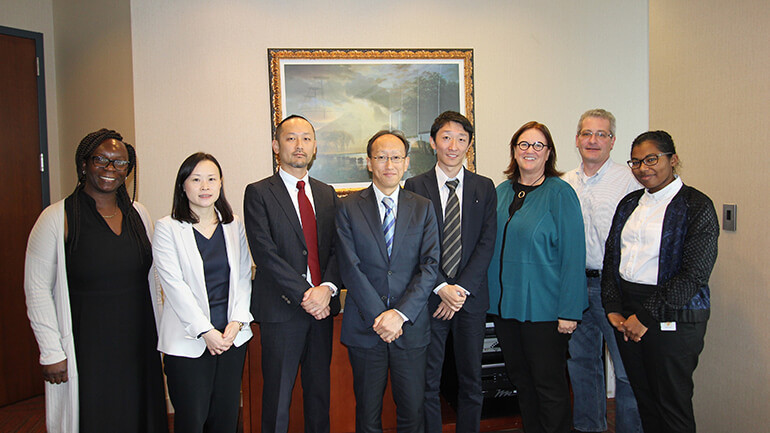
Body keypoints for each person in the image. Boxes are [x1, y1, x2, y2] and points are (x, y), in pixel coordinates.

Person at [23, 128, 168, 433]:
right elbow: (36, 289)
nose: (110, 169)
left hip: (139, 342)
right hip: (86, 348)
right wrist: (51, 351)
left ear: (128, 170)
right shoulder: (56, 218)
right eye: (101, 159)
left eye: (120, 163)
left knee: (141, 414)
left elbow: (154, 281)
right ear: (84, 163)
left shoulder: (139, 215)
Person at [602, 130, 718, 433]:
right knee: (645, 400)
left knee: (672, 404)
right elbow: (612, 256)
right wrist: (613, 307)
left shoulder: (696, 205)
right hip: (629, 312)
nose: (643, 168)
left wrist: (645, 316)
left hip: (674, 316)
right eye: (636, 162)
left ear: (673, 159)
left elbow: (695, 273)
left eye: (651, 159)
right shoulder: (629, 204)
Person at [335, 130, 440, 433]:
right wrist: (381, 317)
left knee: (412, 414)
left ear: (407, 163)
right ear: (369, 163)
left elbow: (430, 266)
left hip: (411, 327)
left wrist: (400, 314)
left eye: (395, 157)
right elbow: (349, 267)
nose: (388, 164)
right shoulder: (348, 207)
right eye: (381, 157)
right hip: (366, 329)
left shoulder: (422, 207)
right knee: (368, 416)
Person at [487, 121, 587, 433]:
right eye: (523, 145)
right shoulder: (500, 192)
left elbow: (574, 255)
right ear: (514, 152)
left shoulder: (560, 193)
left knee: (549, 387)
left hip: (546, 312)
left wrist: (569, 311)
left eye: (537, 145)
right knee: (522, 384)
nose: (530, 151)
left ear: (548, 154)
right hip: (506, 310)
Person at [244, 115, 341, 433]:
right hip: (282, 310)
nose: (299, 145)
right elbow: (265, 254)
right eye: (291, 138)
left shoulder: (327, 193)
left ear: (315, 147)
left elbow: (337, 250)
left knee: (319, 396)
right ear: (276, 145)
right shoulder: (258, 193)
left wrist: (326, 288)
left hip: (322, 310)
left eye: (306, 138)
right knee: (277, 399)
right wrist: (306, 293)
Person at [403, 111, 497, 433]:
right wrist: (442, 286)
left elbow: (486, 243)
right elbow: (415, 243)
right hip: (430, 299)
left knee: (471, 379)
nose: (453, 145)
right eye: (445, 137)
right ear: (433, 143)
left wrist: (459, 291)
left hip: (469, 300)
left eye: (461, 138)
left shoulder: (484, 187)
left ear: (469, 144)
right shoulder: (415, 186)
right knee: (429, 380)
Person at [152, 152, 253, 432]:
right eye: (196, 180)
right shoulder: (167, 228)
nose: (205, 186)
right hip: (189, 342)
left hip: (231, 338)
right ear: (183, 186)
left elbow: (244, 275)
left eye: (211, 179)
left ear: (221, 184)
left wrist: (237, 322)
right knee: (192, 421)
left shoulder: (233, 225)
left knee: (225, 418)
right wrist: (206, 331)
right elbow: (173, 286)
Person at [563, 109, 643, 433]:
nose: (593, 141)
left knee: (626, 370)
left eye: (601, 134)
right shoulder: (564, 182)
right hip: (573, 285)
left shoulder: (630, 180)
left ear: (612, 141)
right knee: (581, 365)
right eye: (586, 134)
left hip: (615, 288)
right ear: (577, 139)